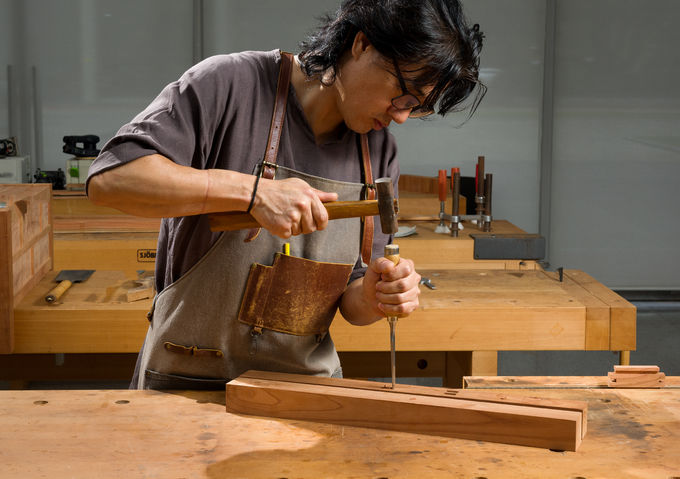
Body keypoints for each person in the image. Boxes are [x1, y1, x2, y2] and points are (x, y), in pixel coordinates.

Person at [87, 0, 486, 389]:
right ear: (362, 45)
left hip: (302, 395)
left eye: (416, 108)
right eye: (403, 94)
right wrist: (253, 192)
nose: (400, 116)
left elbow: (353, 303)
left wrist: (374, 295)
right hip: (188, 381)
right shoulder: (230, 85)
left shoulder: (378, 151)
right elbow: (111, 180)